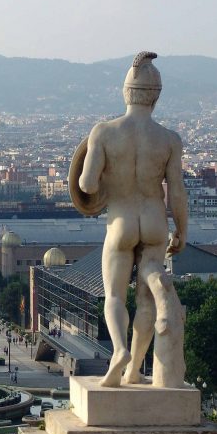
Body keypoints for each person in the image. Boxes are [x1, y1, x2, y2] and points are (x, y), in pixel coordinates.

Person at [73, 52, 187, 388]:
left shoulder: (104, 133)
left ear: (126, 92)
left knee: (115, 296)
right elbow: (177, 192)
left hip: (121, 221)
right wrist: (182, 230)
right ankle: (136, 369)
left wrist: (102, 177)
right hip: (154, 222)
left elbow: (87, 184)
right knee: (147, 300)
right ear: (155, 95)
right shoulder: (168, 139)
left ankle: (119, 350)